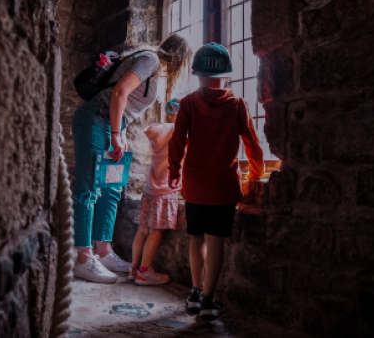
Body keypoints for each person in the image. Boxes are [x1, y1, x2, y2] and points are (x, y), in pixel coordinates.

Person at [72, 34, 192, 283]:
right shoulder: (151, 60)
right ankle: (82, 258)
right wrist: (115, 134)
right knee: (89, 189)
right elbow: (119, 93)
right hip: (96, 118)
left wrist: (121, 134)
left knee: (112, 188)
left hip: (113, 123)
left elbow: (125, 106)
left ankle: (103, 253)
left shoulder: (154, 69)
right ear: (180, 58)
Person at [168, 43, 264, 317]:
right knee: (217, 242)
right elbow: (253, 145)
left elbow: (177, 142)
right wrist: (256, 175)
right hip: (223, 188)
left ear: (197, 73)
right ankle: (209, 300)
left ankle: (195, 294)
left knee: (196, 239)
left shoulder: (187, 104)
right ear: (227, 74)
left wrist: (174, 172)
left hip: (195, 186)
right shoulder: (237, 104)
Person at [128, 98, 182, 286]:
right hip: (165, 190)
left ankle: (133, 268)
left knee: (143, 229)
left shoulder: (157, 132)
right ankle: (145, 272)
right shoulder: (179, 134)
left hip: (150, 189)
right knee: (156, 231)